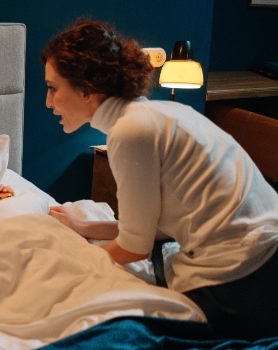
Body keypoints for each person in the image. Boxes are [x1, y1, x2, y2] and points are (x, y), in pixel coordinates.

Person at [41, 18, 278, 340]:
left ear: (88, 88)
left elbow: (134, 246)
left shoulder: (131, 131)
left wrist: (75, 264)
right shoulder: (164, 114)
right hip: (266, 258)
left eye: (53, 88)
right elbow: (163, 224)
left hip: (244, 278)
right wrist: (88, 227)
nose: (48, 102)